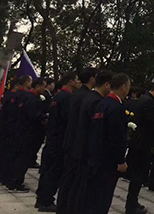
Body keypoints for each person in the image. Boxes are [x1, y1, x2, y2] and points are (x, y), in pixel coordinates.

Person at [65, 69, 113, 214]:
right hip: (83, 148)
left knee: (71, 183)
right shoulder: (93, 100)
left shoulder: (81, 95)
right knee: (79, 187)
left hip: (74, 143)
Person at [83, 73, 131, 214]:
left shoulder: (102, 104)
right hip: (108, 161)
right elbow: (116, 137)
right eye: (128, 86)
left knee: (93, 197)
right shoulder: (116, 108)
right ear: (123, 87)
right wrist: (120, 160)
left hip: (96, 158)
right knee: (102, 198)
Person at [35, 71, 81, 212]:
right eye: (76, 80)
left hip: (52, 138)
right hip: (60, 139)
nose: (78, 82)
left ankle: (41, 198)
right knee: (54, 172)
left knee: (47, 171)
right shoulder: (67, 97)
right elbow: (68, 119)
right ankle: (46, 201)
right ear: (71, 81)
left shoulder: (58, 96)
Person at [57, 68, 98, 214]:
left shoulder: (75, 94)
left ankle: (62, 208)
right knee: (75, 181)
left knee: (67, 179)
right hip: (78, 144)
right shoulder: (88, 97)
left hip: (70, 140)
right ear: (92, 79)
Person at [125, 82, 154, 214]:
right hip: (142, 144)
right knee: (138, 176)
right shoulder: (148, 102)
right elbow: (152, 122)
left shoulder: (144, 99)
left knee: (137, 176)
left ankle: (132, 202)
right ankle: (131, 205)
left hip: (138, 142)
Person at [6, 77, 48, 192]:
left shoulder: (28, 96)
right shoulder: (31, 99)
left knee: (20, 158)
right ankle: (16, 182)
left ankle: (13, 180)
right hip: (27, 133)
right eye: (43, 86)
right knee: (22, 159)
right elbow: (33, 115)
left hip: (23, 132)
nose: (44, 89)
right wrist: (44, 117)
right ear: (37, 86)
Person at [0, 77, 21, 181]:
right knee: (5, 151)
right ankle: (2, 173)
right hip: (8, 127)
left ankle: (0, 170)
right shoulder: (12, 97)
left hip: (4, 126)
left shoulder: (8, 95)